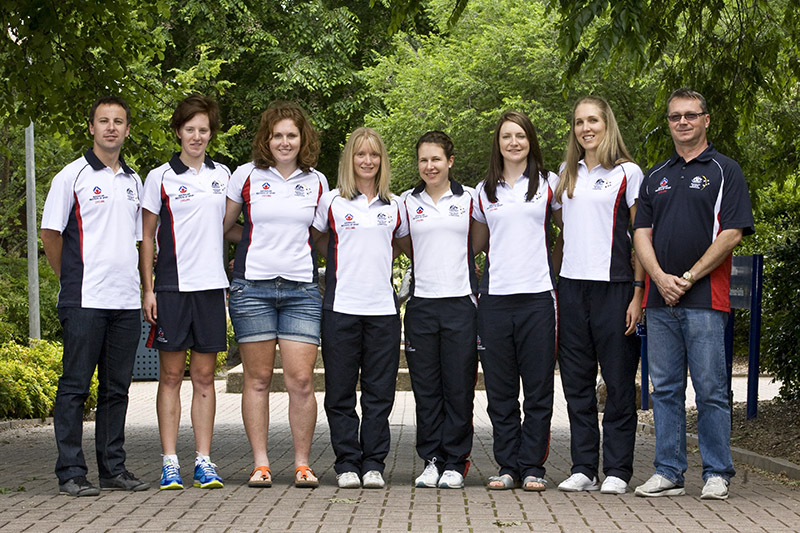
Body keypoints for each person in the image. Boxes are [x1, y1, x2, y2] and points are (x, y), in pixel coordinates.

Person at [632, 88, 754, 500]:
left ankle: (717, 472)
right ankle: (668, 471)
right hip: (659, 300)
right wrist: (659, 278)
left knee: (711, 390)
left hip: (705, 299)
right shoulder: (656, 176)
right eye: (674, 116)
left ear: (705, 120)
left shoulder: (725, 170)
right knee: (664, 390)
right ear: (668, 123)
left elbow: (732, 233)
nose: (682, 122)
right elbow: (641, 234)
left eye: (690, 115)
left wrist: (686, 277)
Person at [40, 96, 150, 496]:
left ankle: (112, 469)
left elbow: (140, 240)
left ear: (127, 129)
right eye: (103, 121)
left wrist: (145, 289)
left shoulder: (134, 181)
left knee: (116, 390)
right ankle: (71, 472)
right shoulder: (71, 176)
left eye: (118, 121)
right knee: (75, 387)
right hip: (84, 300)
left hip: (125, 301)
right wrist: (70, 278)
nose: (111, 127)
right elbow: (50, 234)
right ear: (91, 127)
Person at [223, 101, 328, 488]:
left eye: (292, 135)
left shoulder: (317, 181)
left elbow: (318, 235)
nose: (285, 142)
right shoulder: (246, 175)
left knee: (301, 381)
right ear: (266, 139)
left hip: (301, 291)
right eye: (277, 135)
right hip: (253, 289)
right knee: (258, 379)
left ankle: (302, 464)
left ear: (303, 139)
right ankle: (261, 464)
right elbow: (226, 226)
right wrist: (254, 240)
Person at [552, 96, 644, 494]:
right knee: (576, 383)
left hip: (616, 287)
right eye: (579, 122)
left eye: (593, 120)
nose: (585, 128)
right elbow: (564, 229)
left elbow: (641, 236)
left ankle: (618, 470)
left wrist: (638, 293)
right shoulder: (565, 173)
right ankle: (584, 468)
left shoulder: (628, 172)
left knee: (619, 384)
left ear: (607, 124)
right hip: (572, 289)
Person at [139, 95, 231, 490]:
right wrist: (148, 289)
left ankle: (204, 461)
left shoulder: (224, 175)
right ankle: (170, 462)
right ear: (178, 131)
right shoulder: (159, 177)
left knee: (205, 377)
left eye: (203, 130)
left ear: (211, 134)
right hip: (172, 288)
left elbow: (230, 227)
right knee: (172, 375)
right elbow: (146, 236)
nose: (196, 136)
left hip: (211, 289)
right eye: (190, 129)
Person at [311, 127, 407, 489]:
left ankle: (373, 464)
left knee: (379, 393)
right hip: (341, 308)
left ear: (382, 161)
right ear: (350, 159)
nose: (368, 161)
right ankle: (347, 463)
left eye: (374, 155)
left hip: (382, 311)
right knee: (339, 392)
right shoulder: (332, 201)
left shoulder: (395, 205)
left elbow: (400, 245)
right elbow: (318, 238)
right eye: (361, 154)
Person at [471, 111, 559, 492]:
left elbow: (568, 232)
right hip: (495, 301)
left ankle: (533, 466)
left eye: (520, 135)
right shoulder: (483, 191)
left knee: (538, 389)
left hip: (538, 299)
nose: (514, 142)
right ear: (498, 143)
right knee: (500, 392)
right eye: (507, 136)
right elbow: (474, 244)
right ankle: (508, 465)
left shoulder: (550, 183)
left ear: (530, 140)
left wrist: (553, 271)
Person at [395, 131, 478, 489]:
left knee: (458, 388)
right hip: (422, 306)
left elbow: (478, 240)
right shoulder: (405, 201)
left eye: (436, 159)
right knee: (426, 389)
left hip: (461, 304)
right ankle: (431, 460)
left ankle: (456, 462)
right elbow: (403, 242)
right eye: (423, 160)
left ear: (450, 161)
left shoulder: (471, 197)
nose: (430, 166)